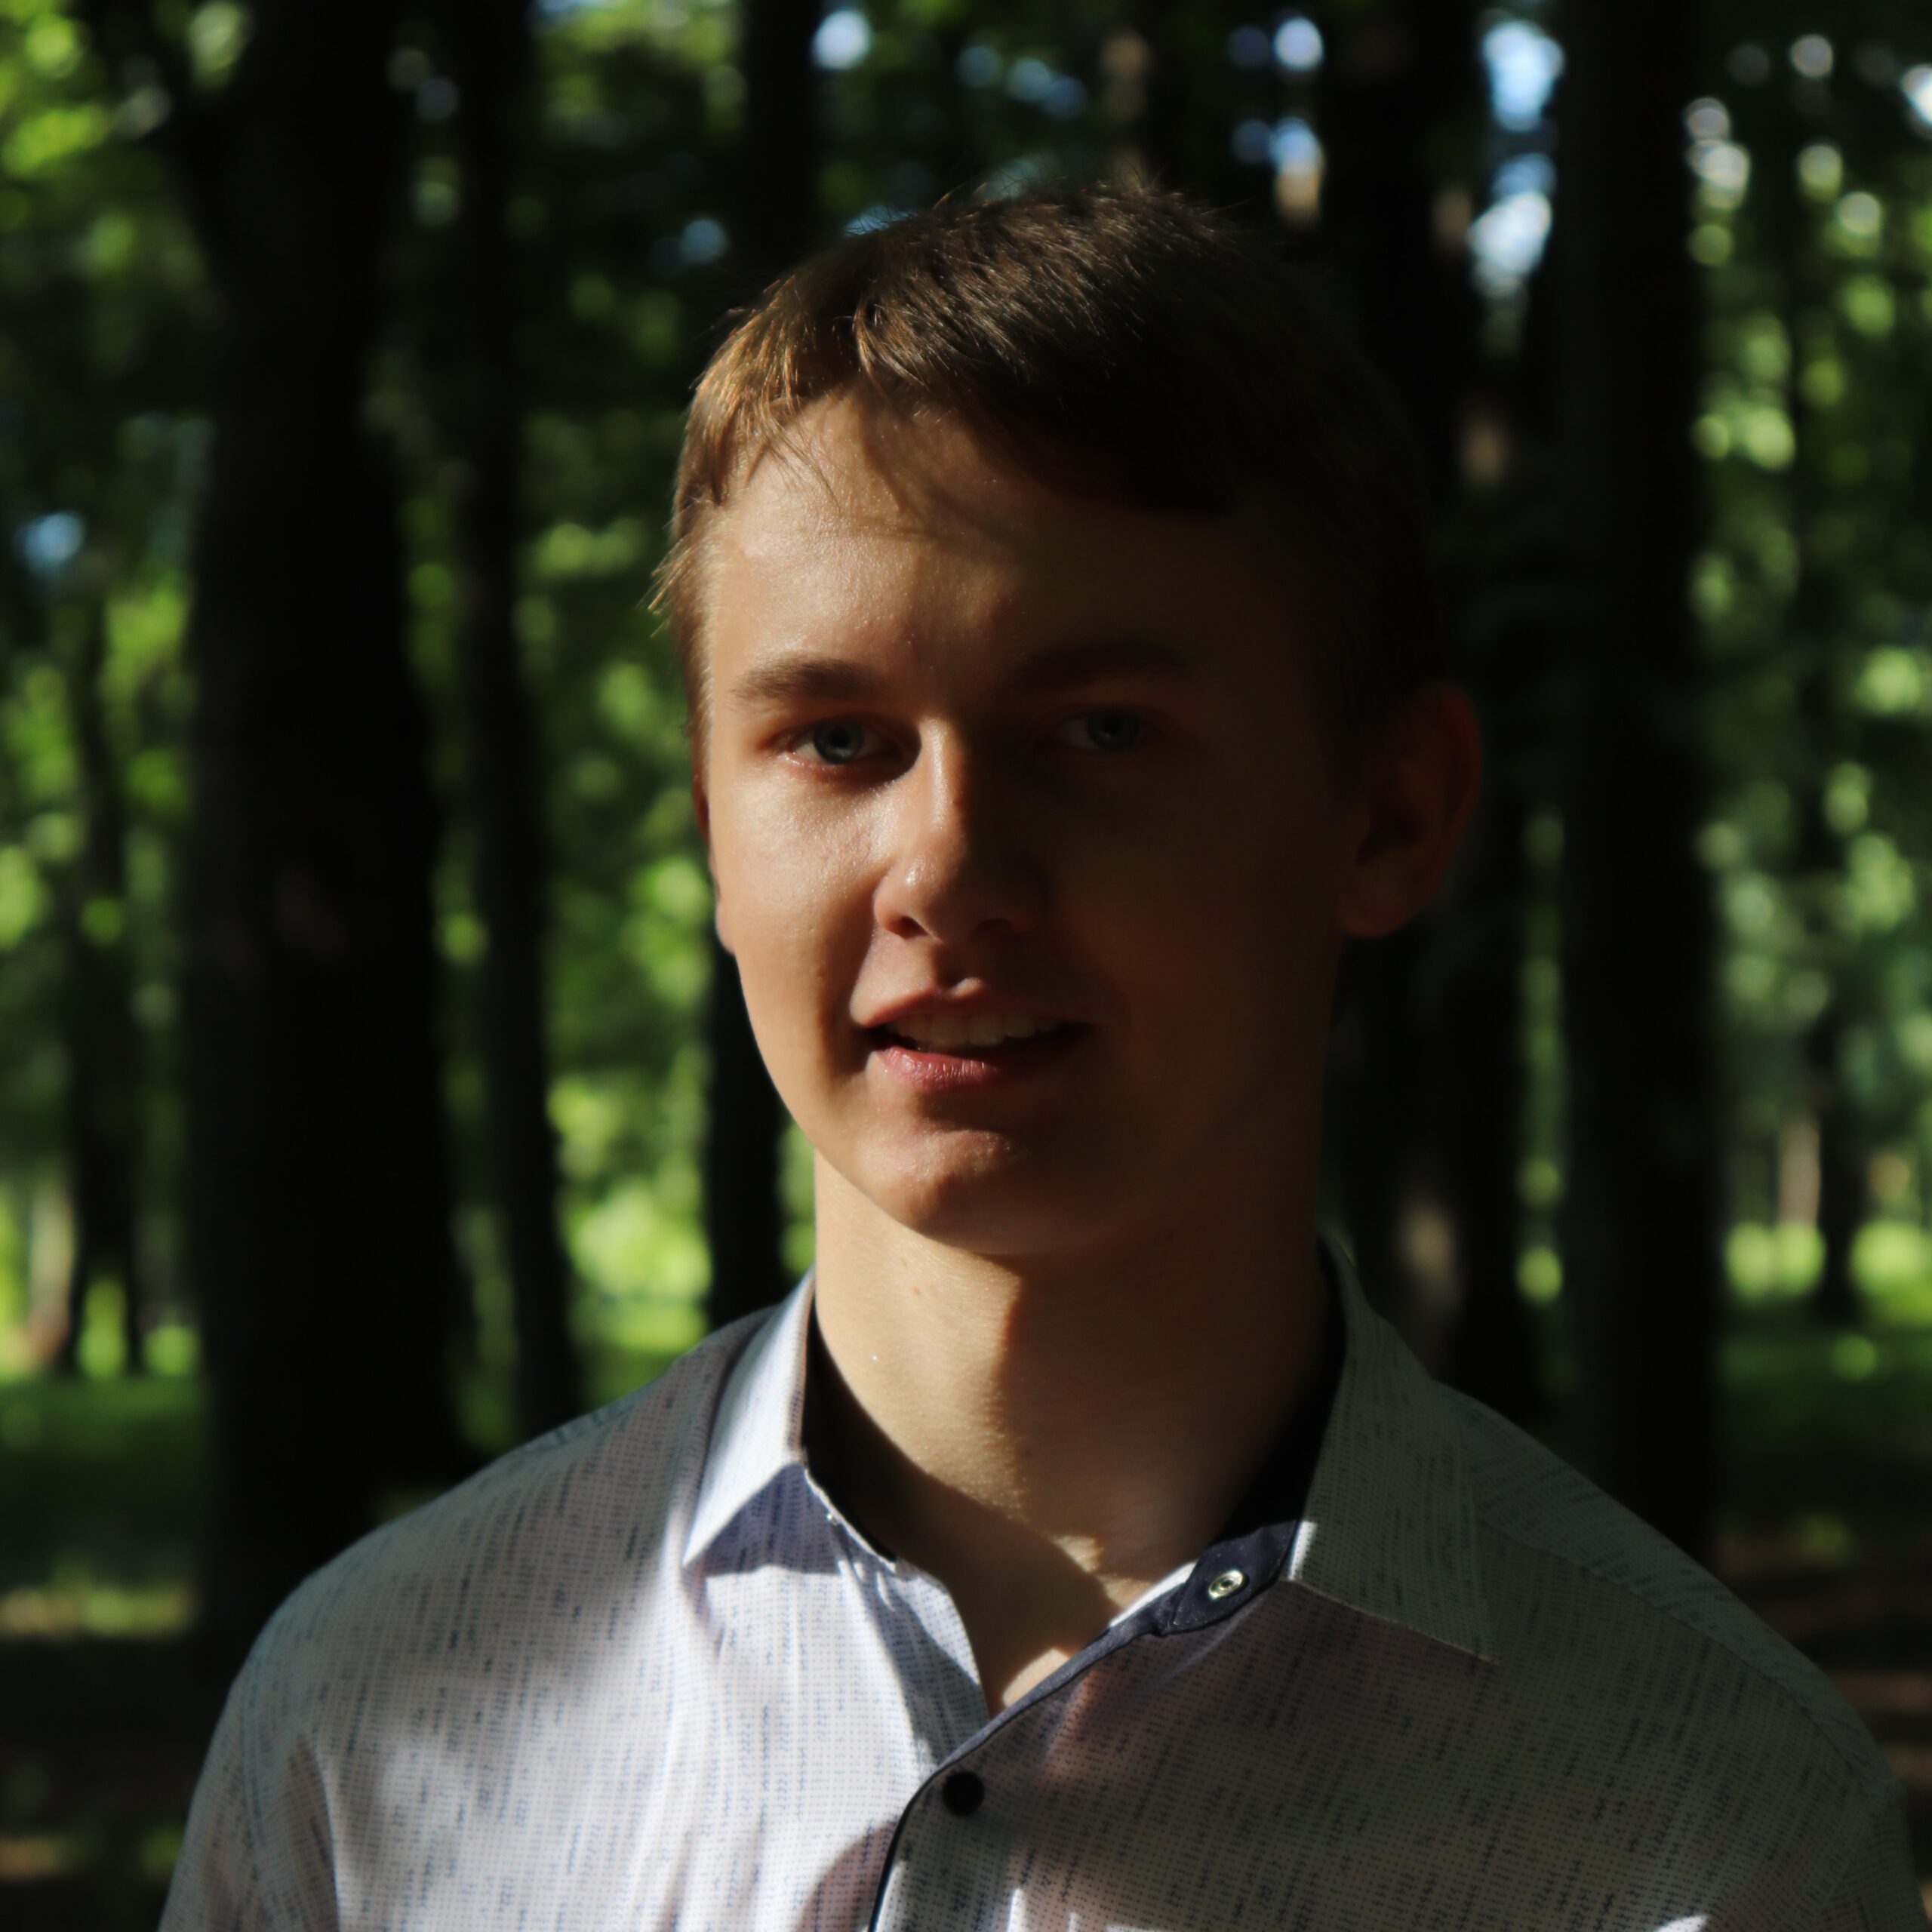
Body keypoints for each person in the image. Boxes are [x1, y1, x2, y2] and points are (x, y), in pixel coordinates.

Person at [160, 183, 1925, 1931]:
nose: (944, 871)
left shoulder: (1707, 1820)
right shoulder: (372, 1731)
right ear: (711, 830)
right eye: (834, 739)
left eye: (1096, 728)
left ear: (1390, 811)